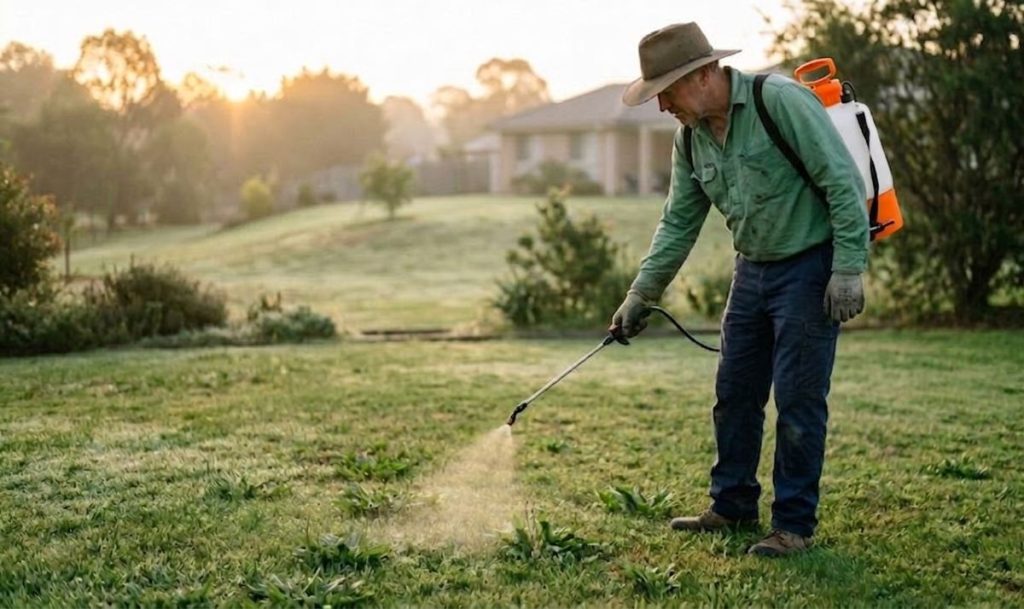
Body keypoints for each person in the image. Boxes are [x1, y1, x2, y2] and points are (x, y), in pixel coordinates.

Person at [609, 22, 869, 557]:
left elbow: (842, 182)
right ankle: (731, 506)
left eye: (667, 92)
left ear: (705, 75)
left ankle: (793, 526)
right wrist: (641, 294)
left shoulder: (782, 103)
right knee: (735, 395)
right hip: (751, 271)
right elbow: (678, 224)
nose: (662, 108)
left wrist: (847, 268)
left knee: (798, 401)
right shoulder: (690, 138)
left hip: (809, 267)